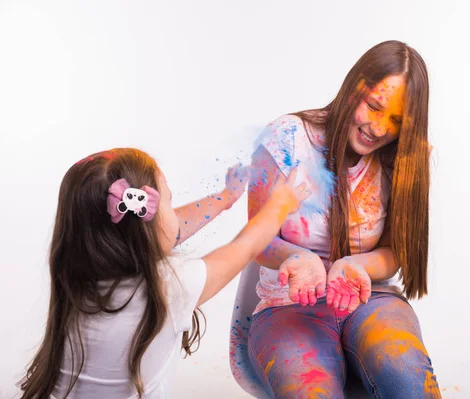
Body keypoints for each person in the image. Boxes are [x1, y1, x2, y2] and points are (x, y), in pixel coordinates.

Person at [19, 148, 309, 399]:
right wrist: (280, 204)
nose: (173, 211)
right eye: (169, 202)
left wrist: (224, 198)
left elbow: (166, 230)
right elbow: (244, 247)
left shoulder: (78, 275)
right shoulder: (168, 287)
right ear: (144, 225)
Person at [247, 40, 442, 398]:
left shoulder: (401, 159)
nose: (380, 128)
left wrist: (357, 265)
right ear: (354, 85)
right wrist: (298, 257)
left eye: (397, 120)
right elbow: (254, 240)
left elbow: (395, 252)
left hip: (370, 301)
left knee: (410, 381)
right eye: (374, 106)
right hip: (287, 307)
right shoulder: (286, 138)